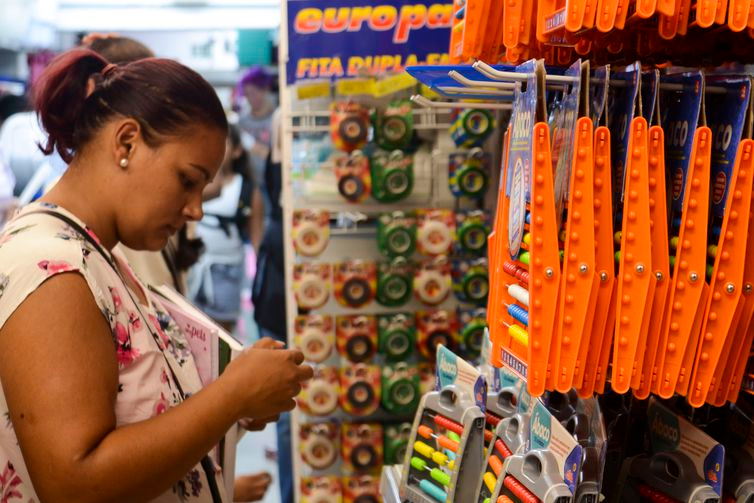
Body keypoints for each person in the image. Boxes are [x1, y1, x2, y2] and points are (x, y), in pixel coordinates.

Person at [0, 48, 312, 502]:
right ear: (126, 143)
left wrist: (229, 391)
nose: (195, 210)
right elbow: (76, 483)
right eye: (187, 180)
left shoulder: (99, 256)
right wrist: (231, 396)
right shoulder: (52, 268)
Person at [189, 124, 263, 333]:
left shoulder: (247, 189)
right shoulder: (197, 183)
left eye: (224, 144)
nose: (217, 149)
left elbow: (256, 236)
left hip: (228, 269)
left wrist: (258, 278)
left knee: (221, 333)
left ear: (237, 151)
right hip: (195, 266)